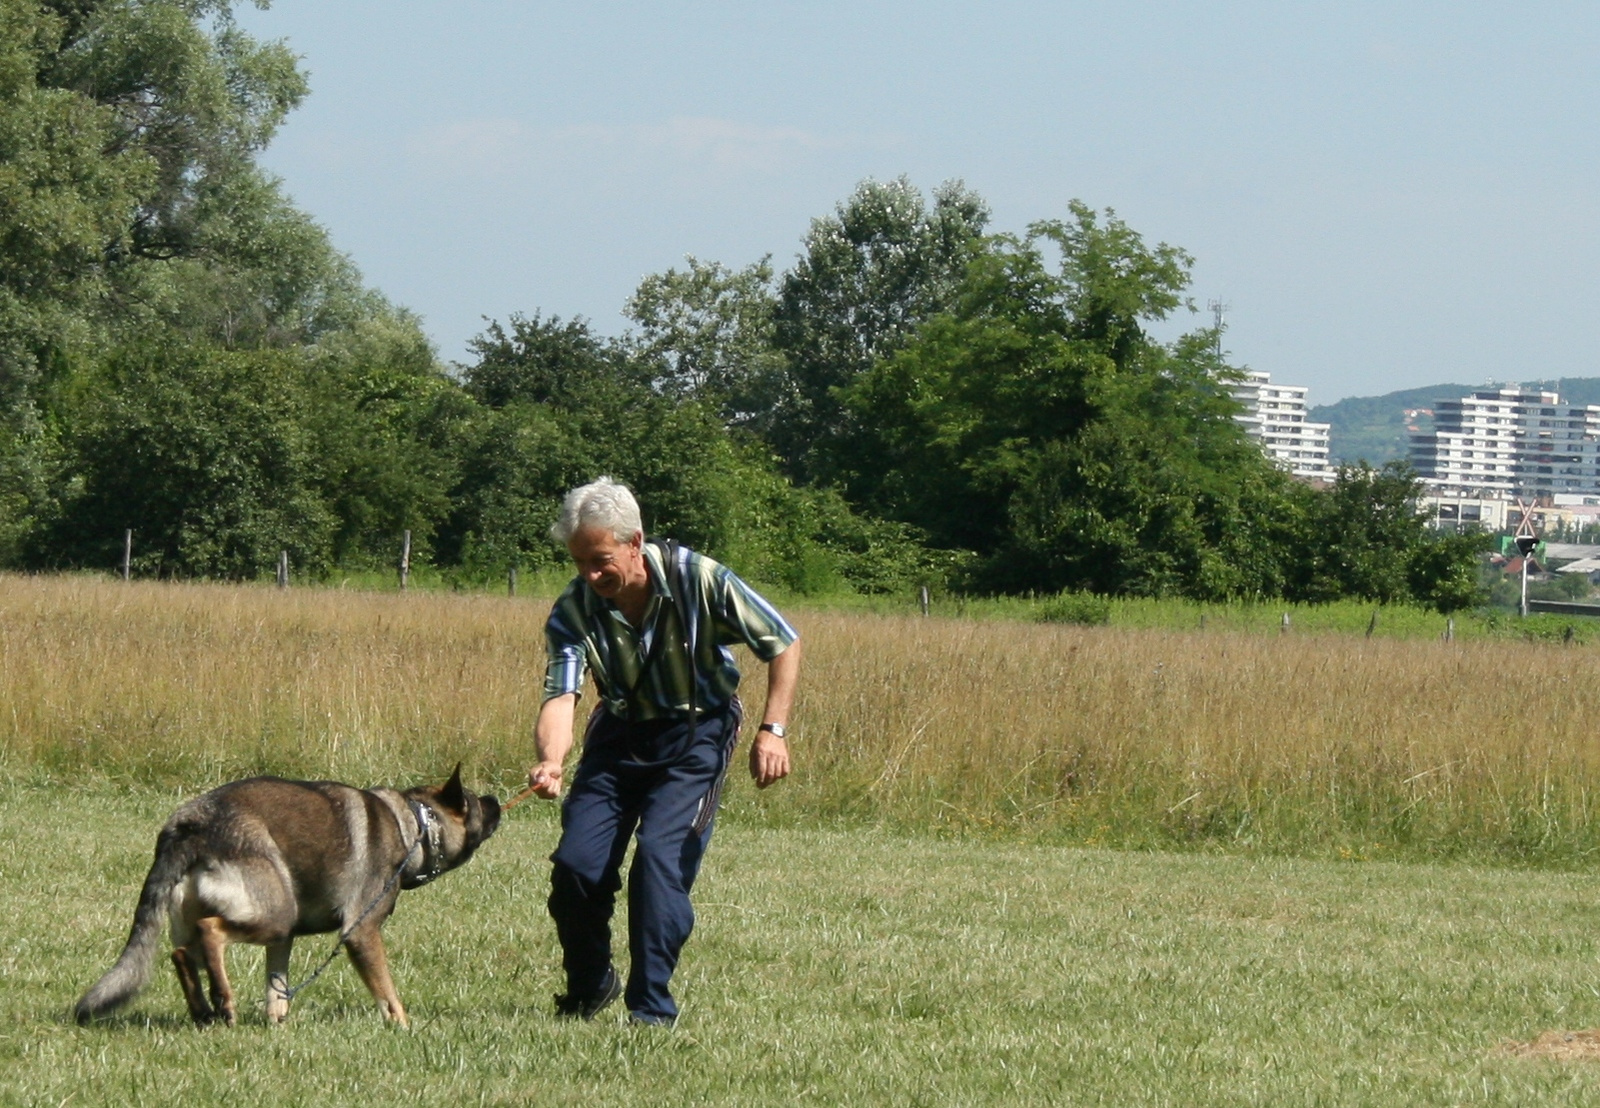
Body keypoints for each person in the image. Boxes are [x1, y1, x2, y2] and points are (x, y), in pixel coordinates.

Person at [527, 477, 801, 1026]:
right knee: (577, 866)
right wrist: (552, 759)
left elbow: (782, 640)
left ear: (635, 541)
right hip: (619, 734)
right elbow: (563, 694)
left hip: (697, 734)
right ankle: (589, 985)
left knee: (659, 860)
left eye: (600, 560)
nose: (590, 575)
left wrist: (773, 729)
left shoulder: (699, 578)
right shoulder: (574, 608)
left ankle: (650, 1009)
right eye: (579, 563)